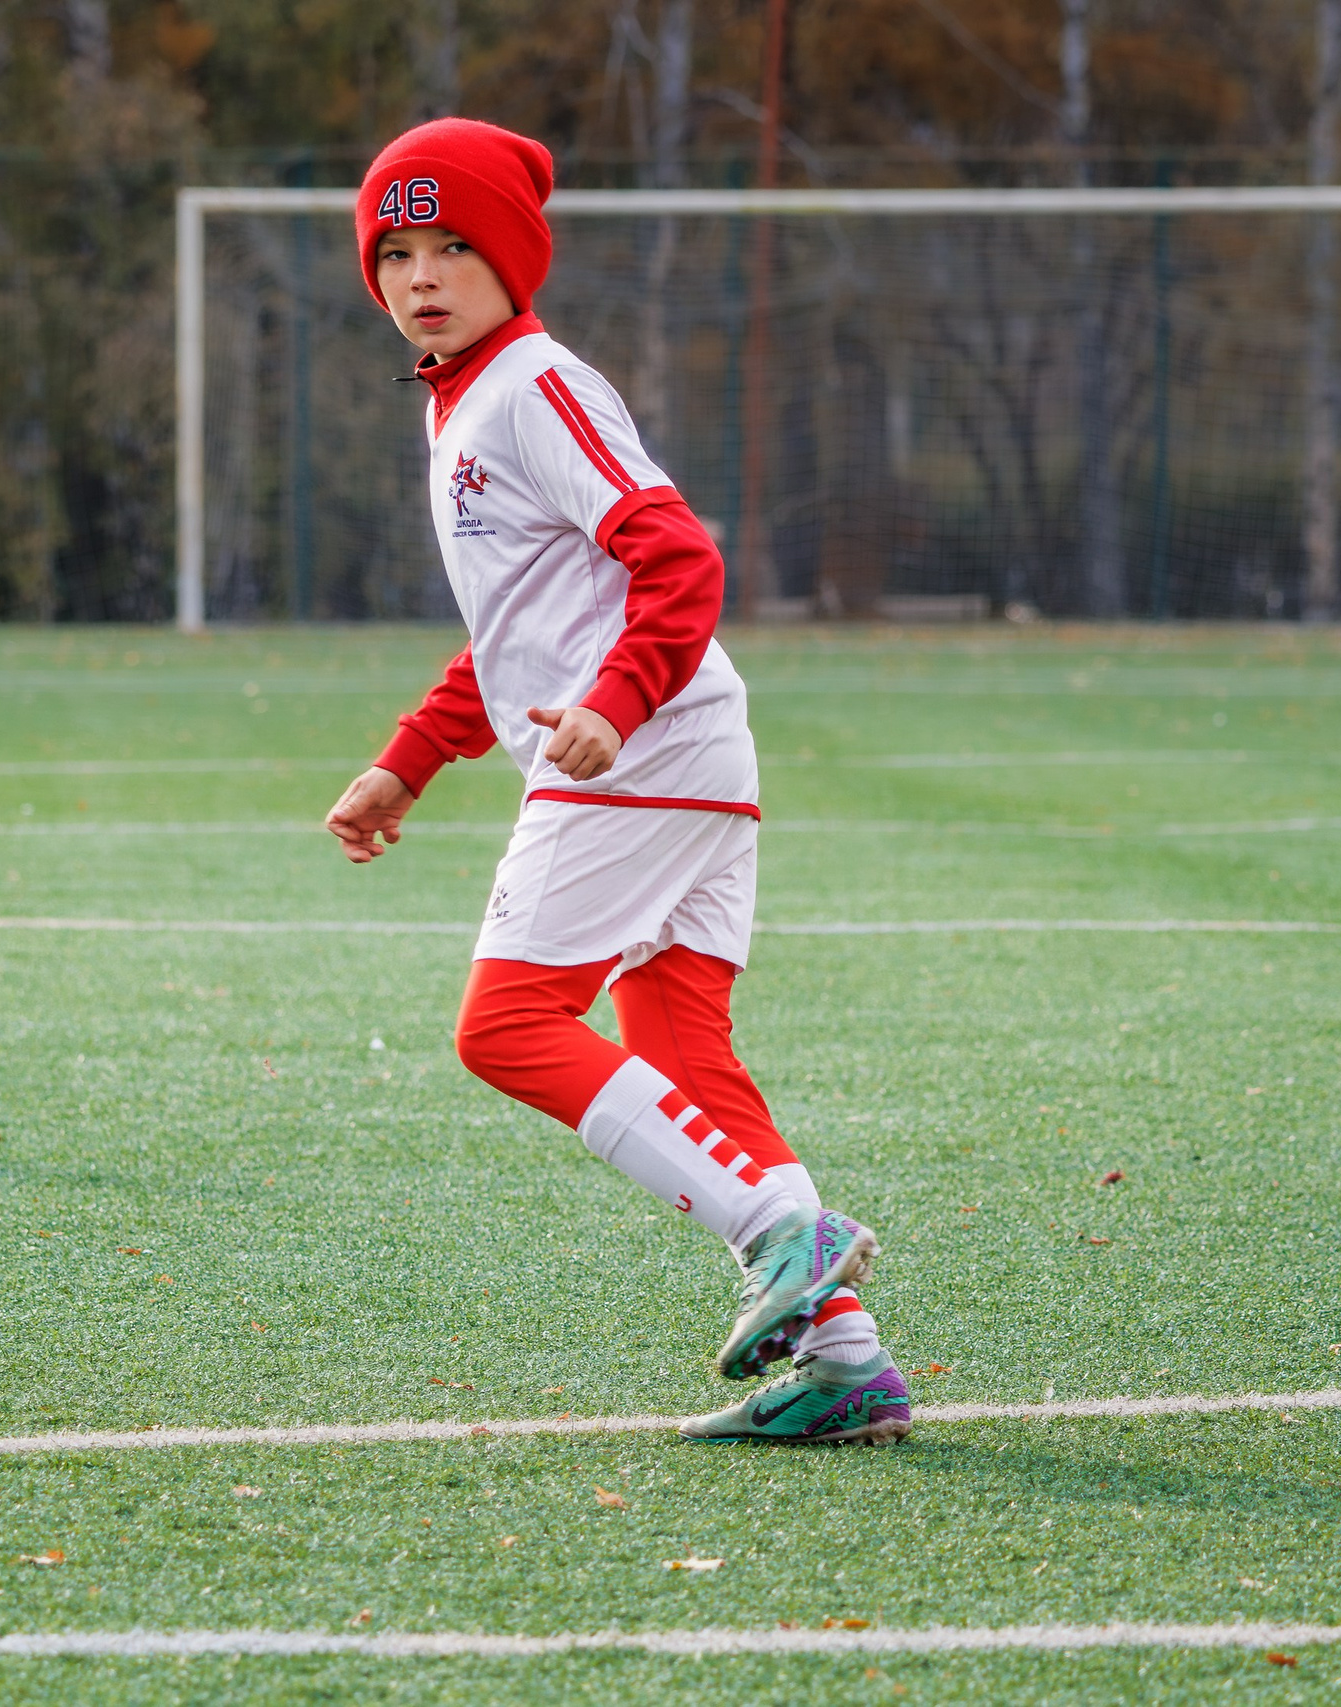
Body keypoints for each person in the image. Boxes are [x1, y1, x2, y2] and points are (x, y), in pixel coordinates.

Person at [323, 121, 909, 1444]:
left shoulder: (532, 385)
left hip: (642, 751)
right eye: (397, 251)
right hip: (681, 752)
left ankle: (781, 1228)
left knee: (505, 1024)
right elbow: (519, 624)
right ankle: (847, 1363)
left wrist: (611, 703)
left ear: (514, 259)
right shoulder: (466, 400)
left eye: (455, 246)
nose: (424, 274)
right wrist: (407, 760)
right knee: (679, 1046)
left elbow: (680, 559)